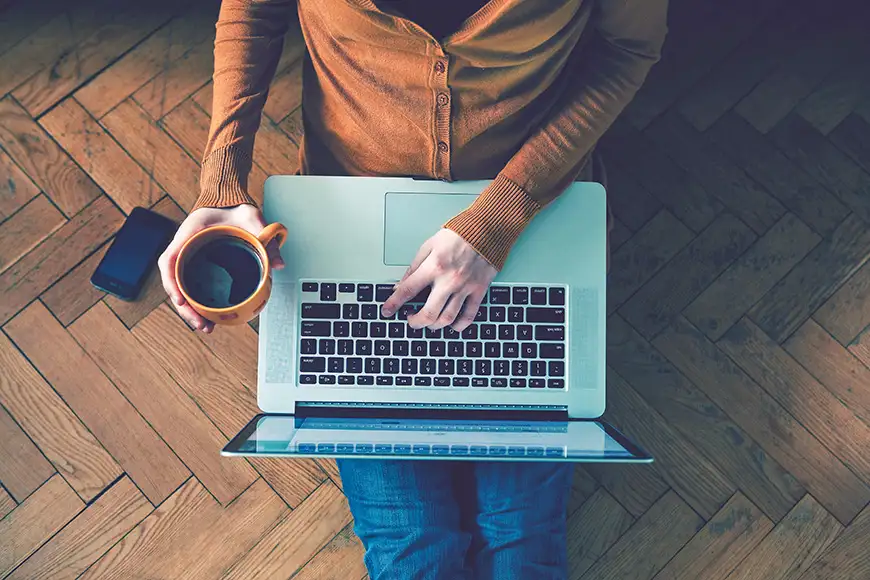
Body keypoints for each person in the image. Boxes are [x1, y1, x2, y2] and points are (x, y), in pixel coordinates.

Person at [158, 1, 667, 577]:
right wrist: (221, 180)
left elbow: (626, 49)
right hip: (347, 214)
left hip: (533, 213)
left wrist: (499, 218)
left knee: (519, 540)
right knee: (414, 543)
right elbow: (253, 11)